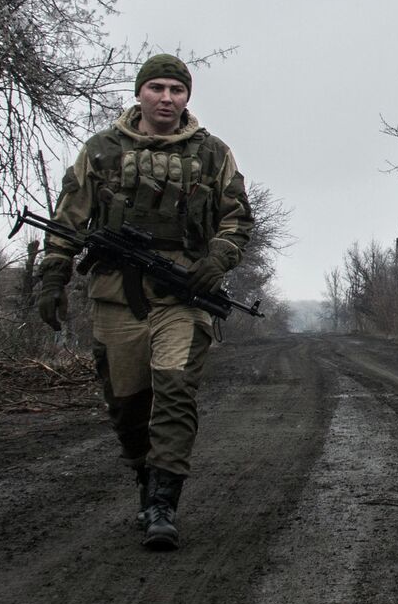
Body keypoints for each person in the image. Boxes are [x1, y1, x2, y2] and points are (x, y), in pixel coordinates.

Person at [36, 53, 254, 551]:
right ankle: (145, 476)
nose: (166, 98)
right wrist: (52, 277)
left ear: (187, 98)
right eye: (156, 88)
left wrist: (217, 259)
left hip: (183, 294)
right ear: (140, 93)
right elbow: (68, 218)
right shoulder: (103, 150)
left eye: (176, 90)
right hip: (116, 297)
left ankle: (163, 504)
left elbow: (238, 217)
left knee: (174, 392)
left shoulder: (213, 154)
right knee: (127, 403)